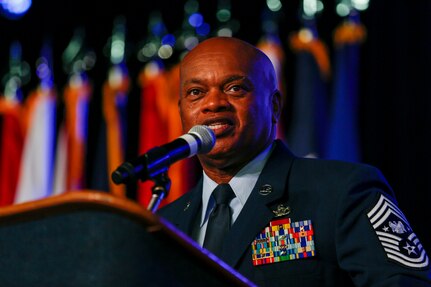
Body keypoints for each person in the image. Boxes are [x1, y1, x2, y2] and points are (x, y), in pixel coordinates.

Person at [157, 36, 431, 286]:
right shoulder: (164, 224)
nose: (213, 103)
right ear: (181, 110)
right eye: (195, 92)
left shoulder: (342, 191)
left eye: (235, 88)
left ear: (274, 106)